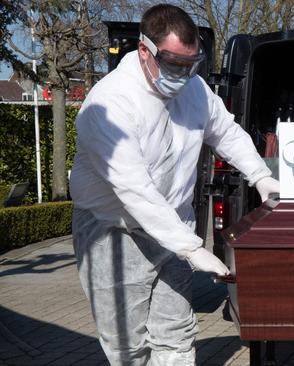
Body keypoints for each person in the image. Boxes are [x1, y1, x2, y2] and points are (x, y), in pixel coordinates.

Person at [69, 4, 279, 365]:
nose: (183, 73)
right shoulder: (110, 104)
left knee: (176, 332)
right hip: (113, 231)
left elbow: (226, 131)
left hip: (174, 225)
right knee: (128, 342)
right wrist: (192, 248)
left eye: (191, 63)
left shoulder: (194, 90)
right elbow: (133, 189)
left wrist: (260, 175)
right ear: (144, 51)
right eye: (173, 63)